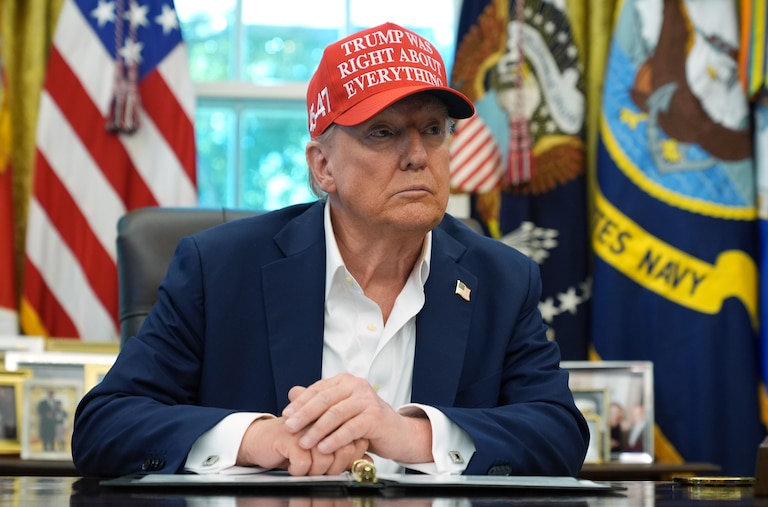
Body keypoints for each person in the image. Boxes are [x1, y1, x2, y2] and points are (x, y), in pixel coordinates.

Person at [72, 22, 589, 478]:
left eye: (434, 130)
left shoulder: (502, 277)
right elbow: (105, 423)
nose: (416, 155)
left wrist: (411, 434)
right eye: (383, 133)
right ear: (323, 168)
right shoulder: (219, 268)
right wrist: (257, 440)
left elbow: (560, 431)